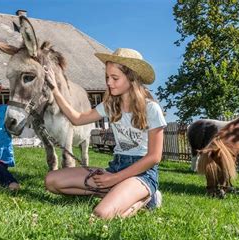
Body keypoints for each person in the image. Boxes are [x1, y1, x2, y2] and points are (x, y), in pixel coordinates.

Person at [44, 48, 167, 219]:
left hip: (142, 173)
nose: (109, 82)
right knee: (51, 181)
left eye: (115, 78)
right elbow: (77, 118)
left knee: (101, 214)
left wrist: (115, 178)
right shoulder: (110, 106)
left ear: (132, 78)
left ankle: (146, 198)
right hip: (115, 166)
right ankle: (114, 193)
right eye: (107, 77)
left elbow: (154, 157)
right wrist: (55, 90)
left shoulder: (151, 109)